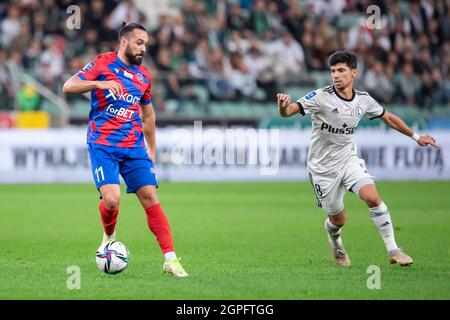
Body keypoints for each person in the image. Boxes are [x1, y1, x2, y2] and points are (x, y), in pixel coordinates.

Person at [277, 50, 438, 267]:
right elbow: (289, 112)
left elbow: (388, 118)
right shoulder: (320, 97)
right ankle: (336, 242)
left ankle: (393, 250)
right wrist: (282, 105)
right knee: (338, 220)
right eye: (333, 71)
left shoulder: (363, 100)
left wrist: (416, 137)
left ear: (354, 73)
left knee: (372, 197)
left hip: (348, 160)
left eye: (341, 70)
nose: (336, 75)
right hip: (322, 169)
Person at [63, 23, 188, 277]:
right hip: (103, 144)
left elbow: (148, 114)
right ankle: (109, 236)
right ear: (124, 42)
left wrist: (151, 148)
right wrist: (99, 85)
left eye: (146, 44)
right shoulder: (103, 63)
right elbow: (69, 86)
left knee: (150, 197)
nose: (144, 48)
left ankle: (171, 260)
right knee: (111, 199)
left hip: (133, 146)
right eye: (139, 42)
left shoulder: (144, 76)